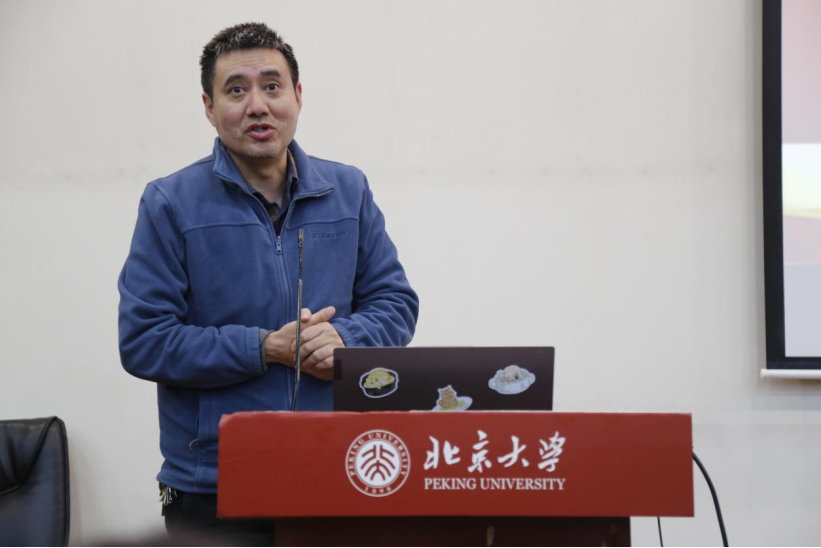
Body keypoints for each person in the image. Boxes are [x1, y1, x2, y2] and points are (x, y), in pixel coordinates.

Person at [117, 22, 419, 544]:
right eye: (236, 90)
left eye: (272, 86)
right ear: (209, 108)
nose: (257, 105)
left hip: (340, 463)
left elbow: (396, 303)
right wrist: (263, 349)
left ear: (297, 96)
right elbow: (145, 340)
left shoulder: (348, 190)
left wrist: (346, 338)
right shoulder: (170, 203)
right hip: (214, 481)